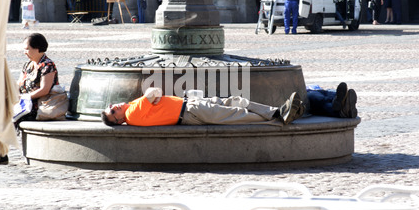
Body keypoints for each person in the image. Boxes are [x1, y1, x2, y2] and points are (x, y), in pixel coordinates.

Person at [101, 88, 305, 127]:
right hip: (190, 112)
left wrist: (153, 97)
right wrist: (153, 96)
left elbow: (154, 93)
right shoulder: (132, 113)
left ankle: (278, 111)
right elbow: (154, 91)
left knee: (235, 101)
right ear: (119, 120)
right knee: (235, 114)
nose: (114, 107)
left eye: (110, 106)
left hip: (190, 104)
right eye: (112, 112)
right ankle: (279, 115)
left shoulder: (131, 108)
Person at [15, 33, 60, 128]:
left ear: (37, 48)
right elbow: (19, 83)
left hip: (38, 107)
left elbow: (44, 90)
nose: (24, 52)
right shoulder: (28, 65)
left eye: (27, 49)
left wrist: (25, 97)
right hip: (23, 105)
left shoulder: (47, 65)